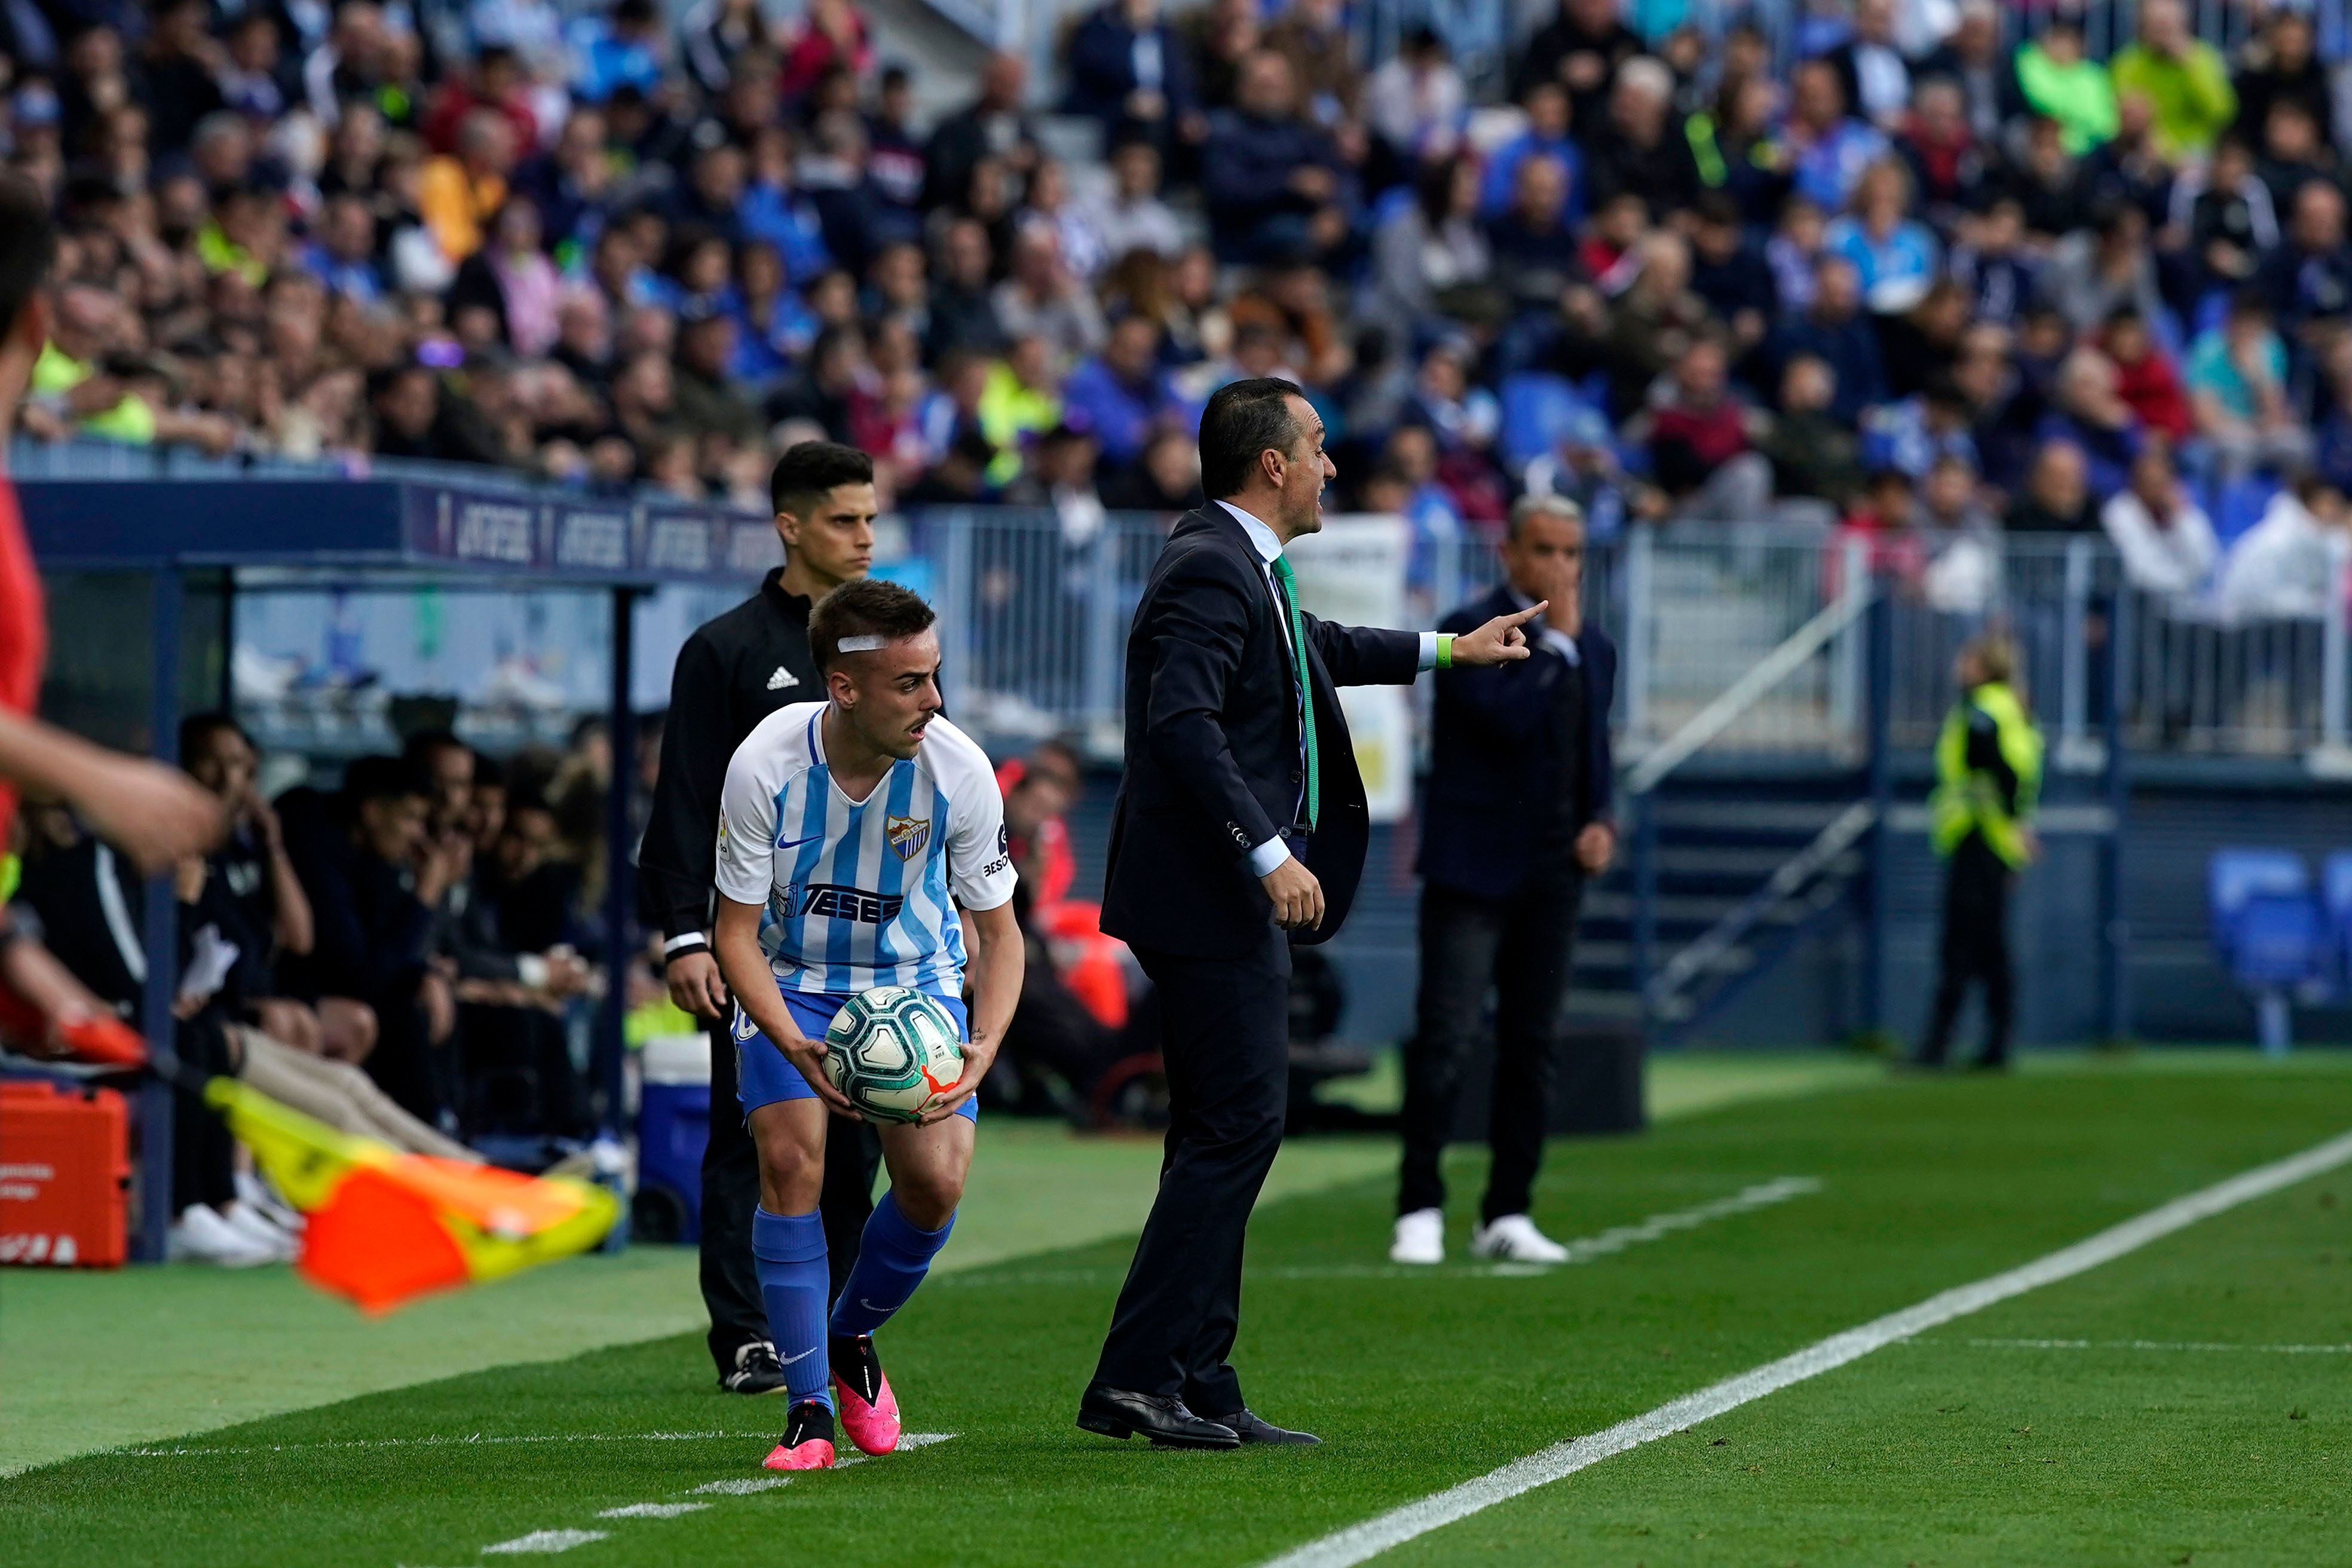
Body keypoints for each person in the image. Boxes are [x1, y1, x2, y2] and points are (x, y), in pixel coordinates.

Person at [1079, 377, 1543, 1449]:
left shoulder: (1240, 562)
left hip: (1211, 893)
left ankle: (1199, 1377)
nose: (1334, 465)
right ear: (1273, 463)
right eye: (1320, 445)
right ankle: (1138, 1375)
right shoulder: (1210, 564)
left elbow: (1314, 647)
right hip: (1208, 894)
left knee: (1219, 1129)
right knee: (1238, 1127)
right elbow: (1183, 724)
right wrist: (1267, 849)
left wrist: (1451, 650)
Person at [710, 578, 1021, 1471]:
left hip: (916, 984)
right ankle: (807, 1409)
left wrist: (985, 1046)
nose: (934, 700)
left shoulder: (959, 770)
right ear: (843, 688)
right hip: (792, 984)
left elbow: (1002, 936)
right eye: (910, 683)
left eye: (934, 676)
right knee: (790, 1162)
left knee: (936, 1186)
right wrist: (791, 1040)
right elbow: (734, 934)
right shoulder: (764, 763)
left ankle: (848, 1335)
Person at [637, 439, 884, 1398]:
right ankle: (747, 1335)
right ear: (790, 526)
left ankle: (842, 1330)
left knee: (858, 1138)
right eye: (844, 521)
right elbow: (685, 800)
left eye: (870, 519)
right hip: (757, 945)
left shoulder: (887, 648)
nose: (864, 538)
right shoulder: (725, 650)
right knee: (752, 1136)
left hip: (868, 946)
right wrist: (684, 934)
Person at [1392, 495, 1616, 1266]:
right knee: (1447, 1037)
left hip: (1554, 871)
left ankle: (1508, 1209)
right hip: (1471, 867)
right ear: (1511, 553)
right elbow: (1506, 719)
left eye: (1572, 552)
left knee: (1533, 1043)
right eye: (1546, 550)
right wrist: (1556, 646)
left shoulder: (1593, 645)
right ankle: (1419, 1204)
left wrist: (1601, 819)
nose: (1561, 566)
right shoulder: (1472, 630)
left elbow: (1593, 746)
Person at [1916, 635, 2042, 1071]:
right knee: (1990, 948)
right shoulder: (2011, 707)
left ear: (1982, 666)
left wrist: (2009, 820)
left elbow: (1999, 771)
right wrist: (2018, 826)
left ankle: (1939, 1044)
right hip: (1995, 841)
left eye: (1966, 659)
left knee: (1961, 946)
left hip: (1978, 838)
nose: (1958, 666)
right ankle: (1997, 1043)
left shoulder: (1982, 710)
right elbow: (2019, 776)